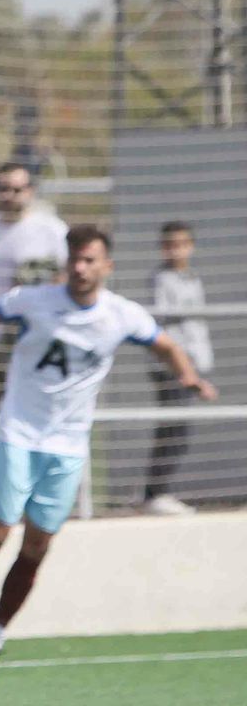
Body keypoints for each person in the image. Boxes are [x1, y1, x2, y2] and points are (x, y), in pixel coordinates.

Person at [0, 225, 215, 689]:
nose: (80, 269)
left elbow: (164, 342)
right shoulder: (34, 300)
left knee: (38, 545)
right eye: (75, 260)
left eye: (90, 261)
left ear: (107, 266)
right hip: (19, 432)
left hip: (67, 446)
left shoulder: (121, 315)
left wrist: (187, 376)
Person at [0, 164, 69, 490]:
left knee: (29, 420)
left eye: (16, 189)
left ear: (31, 192)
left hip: (31, 343)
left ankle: (30, 490)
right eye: (3, 188)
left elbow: (64, 281)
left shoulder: (50, 230)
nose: (9, 196)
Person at [142, 221, 213, 516]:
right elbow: (165, 325)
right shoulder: (162, 280)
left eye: (181, 243)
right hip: (172, 365)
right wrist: (187, 371)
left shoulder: (192, 279)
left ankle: (157, 492)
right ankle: (156, 494)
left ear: (191, 246)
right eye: (170, 244)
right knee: (173, 430)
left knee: (179, 430)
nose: (176, 250)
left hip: (192, 362)